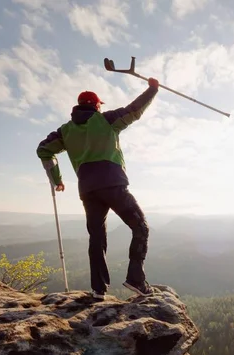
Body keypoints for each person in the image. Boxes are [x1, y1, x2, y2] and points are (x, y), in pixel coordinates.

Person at [36, 78, 159, 299]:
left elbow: (43, 149)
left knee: (96, 237)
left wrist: (57, 179)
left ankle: (98, 289)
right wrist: (152, 89)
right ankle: (136, 280)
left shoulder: (65, 131)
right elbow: (135, 110)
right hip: (112, 184)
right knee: (141, 227)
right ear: (96, 106)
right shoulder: (106, 120)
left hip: (88, 190)